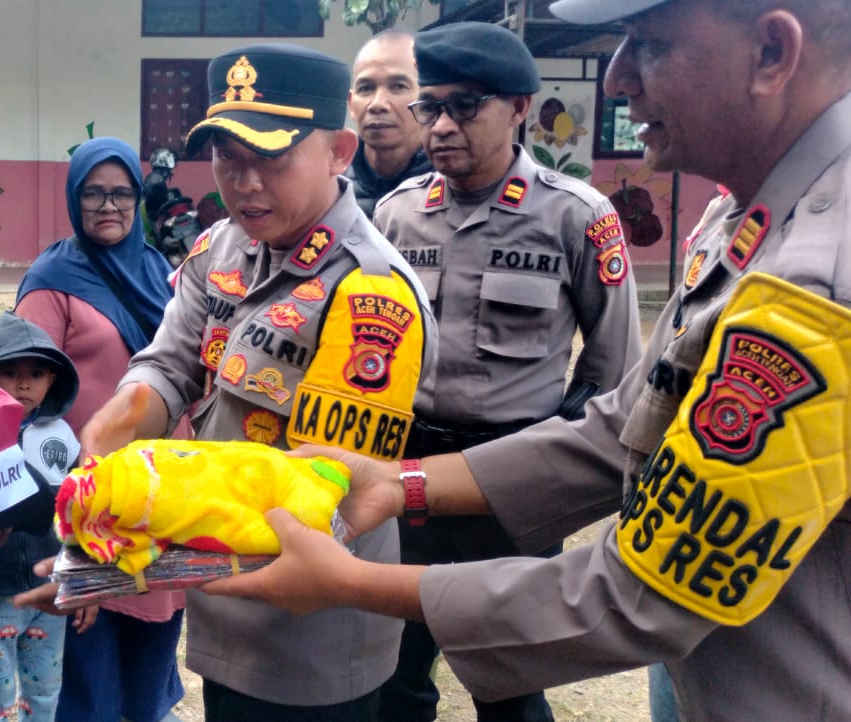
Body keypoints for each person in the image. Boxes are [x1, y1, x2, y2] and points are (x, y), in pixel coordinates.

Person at [201, 2, 851, 720]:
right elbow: (626, 424)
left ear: (770, 51)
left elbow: (646, 591)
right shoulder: (745, 219)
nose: (615, 78)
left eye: (650, 44)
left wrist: (350, 584)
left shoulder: (815, 278)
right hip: (701, 650)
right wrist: (400, 485)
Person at [78, 44, 439, 720]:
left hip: (312, 635)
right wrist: (117, 425)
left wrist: (129, 541)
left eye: (270, 159)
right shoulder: (220, 247)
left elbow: (318, 496)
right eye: (226, 158)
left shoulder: (370, 294)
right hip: (224, 612)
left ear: (337, 150)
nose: (243, 184)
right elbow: (170, 363)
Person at [370, 22, 643, 721]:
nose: (440, 125)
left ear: (519, 107)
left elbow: (612, 370)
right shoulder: (397, 216)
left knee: (508, 673)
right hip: (408, 472)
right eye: (429, 106)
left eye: (465, 106)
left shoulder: (576, 215)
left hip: (511, 478)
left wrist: (554, 468)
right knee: (395, 662)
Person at [14, 137, 188, 722]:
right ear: (74, 197)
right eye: (93, 193)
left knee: (148, 671)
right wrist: (66, 531)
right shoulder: (51, 281)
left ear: (138, 199)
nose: (107, 206)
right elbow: (19, 401)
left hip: (162, 503)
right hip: (91, 509)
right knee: (90, 687)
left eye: (120, 193)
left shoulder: (158, 270)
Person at [0, 311, 85, 722]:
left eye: (36, 373)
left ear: (53, 381)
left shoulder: (63, 439)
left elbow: (81, 513)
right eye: (9, 372)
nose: (23, 383)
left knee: (45, 691)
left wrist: (84, 575)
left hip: (52, 592)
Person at [346, 29, 433, 219]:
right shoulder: (329, 184)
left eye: (398, 86)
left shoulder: (452, 182)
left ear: (427, 100)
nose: (377, 104)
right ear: (351, 103)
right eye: (366, 88)